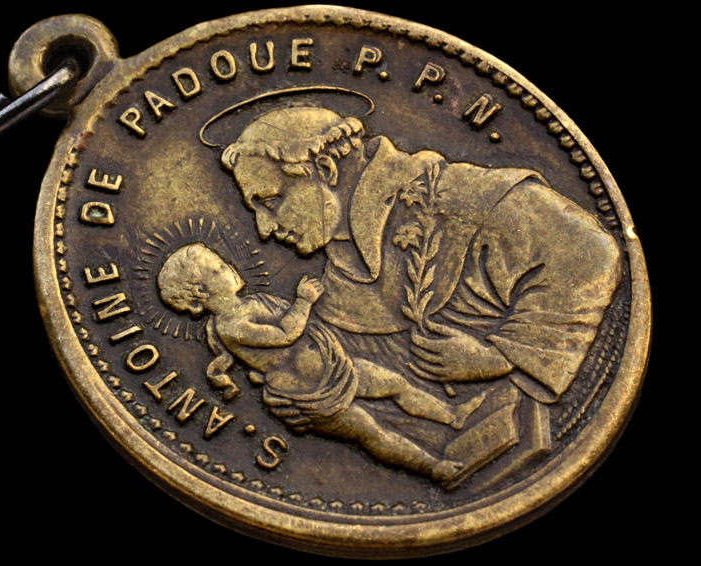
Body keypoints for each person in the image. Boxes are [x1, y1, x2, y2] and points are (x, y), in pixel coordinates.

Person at [218, 106, 623, 481]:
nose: (264, 229)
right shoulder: (337, 274)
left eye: (271, 201)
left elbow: (591, 253)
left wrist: (500, 356)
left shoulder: (460, 196)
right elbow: (359, 373)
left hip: (526, 446)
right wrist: (305, 397)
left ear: (325, 169)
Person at [157, 242, 485, 488]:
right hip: (309, 395)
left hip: (334, 367)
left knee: (395, 384)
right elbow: (284, 334)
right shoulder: (232, 326)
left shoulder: (252, 303)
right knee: (370, 431)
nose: (228, 267)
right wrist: (304, 301)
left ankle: (453, 415)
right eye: (217, 270)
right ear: (200, 292)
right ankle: (435, 469)